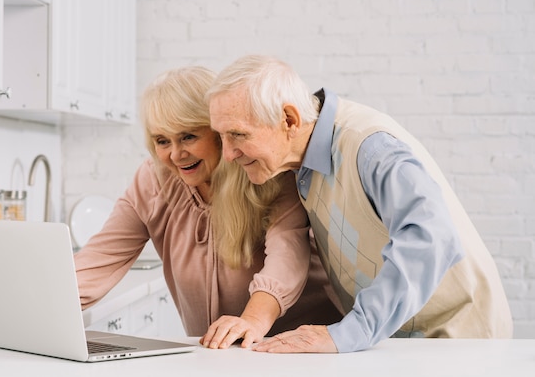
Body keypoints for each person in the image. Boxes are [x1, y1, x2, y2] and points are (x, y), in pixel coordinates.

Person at [206, 54, 513, 353]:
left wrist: (353, 331)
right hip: (396, 343)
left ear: (289, 120)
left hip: (458, 340)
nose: (229, 154)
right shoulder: (298, 164)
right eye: (221, 136)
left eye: (238, 135)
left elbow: (431, 237)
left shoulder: (371, 147)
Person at [74, 66, 341, 349]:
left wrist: (251, 319)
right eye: (162, 141)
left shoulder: (264, 173)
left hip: (301, 347)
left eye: (188, 136)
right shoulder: (153, 181)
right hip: (223, 354)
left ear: (217, 131)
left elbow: (287, 256)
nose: (176, 154)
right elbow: (100, 259)